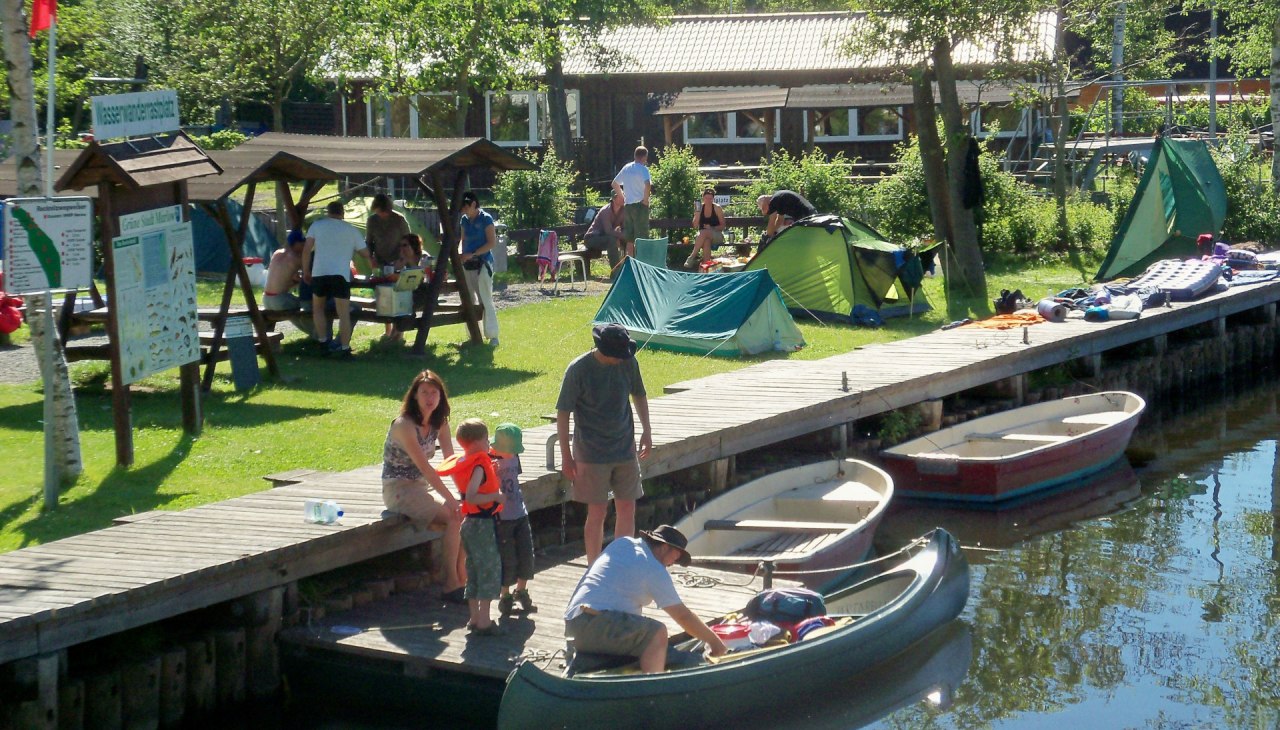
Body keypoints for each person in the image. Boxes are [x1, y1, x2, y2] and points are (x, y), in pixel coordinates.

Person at [564, 524, 728, 673]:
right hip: (594, 623)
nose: (674, 562)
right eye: (676, 556)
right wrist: (715, 643)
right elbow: (683, 616)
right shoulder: (652, 567)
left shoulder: (622, 544)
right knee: (656, 632)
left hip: (573, 623)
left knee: (644, 636)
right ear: (664, 548)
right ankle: (652, 687)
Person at [556, 323, 652, 565]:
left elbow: (639, 394)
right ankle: (592, 566)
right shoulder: (579, 369)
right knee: (597, 511)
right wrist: (567, 457)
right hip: (591, 452)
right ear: (604, 350)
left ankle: (621, 563)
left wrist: (647, 430)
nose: (622, 359)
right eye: (618, 355)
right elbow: (563, 412)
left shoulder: (628, 361)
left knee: (627, 508)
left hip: (624, 447)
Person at [382, 370, 466, 603]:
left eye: (434, 393)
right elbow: (427, 469)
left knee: (465, 514)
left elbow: (451, 461)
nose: (429, 398)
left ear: (441, 396)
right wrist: (450, 499)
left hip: (420, 487)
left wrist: (465, 494)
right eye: (424, 392)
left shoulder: (440, 423)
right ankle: (451, 584)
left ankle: (461, 578)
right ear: (415, 396)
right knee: (453, 516)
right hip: (399, 488)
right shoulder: (404, 425)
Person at [438, 418, 506, 636]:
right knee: (488, 568)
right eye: (486, 439)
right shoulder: (478, 464)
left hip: (468, 524)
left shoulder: (467, 461)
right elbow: (474, 495)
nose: (489, 444)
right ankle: (484, 621)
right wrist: (496, 495)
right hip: (481, 524)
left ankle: (474, 617)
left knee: (473, 569)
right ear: (477, 442)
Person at [303, 200, 368, 356]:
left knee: (318, 309)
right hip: (340, 274)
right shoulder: (350, 230)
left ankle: (323, 343)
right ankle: (345, 348)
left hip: (319, 272)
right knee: (343, 313)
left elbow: (306, 250)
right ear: (342, 213)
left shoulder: (317, 226)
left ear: (328, 212)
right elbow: (365, 253)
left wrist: (306, 270)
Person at [492, 423, 536, 617]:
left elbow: (515, 478)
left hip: (520, 512)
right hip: (502, 517)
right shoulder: (489, 460)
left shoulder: (514, 458)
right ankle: (505, 594)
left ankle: (522, 589)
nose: (512, 454)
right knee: (507, 557)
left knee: (527, 553)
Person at [458, 191, 500, 348]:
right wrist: (460, 253)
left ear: (473, 204)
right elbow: (462, 241)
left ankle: (493, 336)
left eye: (465, 206)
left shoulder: (486, 218)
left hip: (482, 263)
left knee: (485, 299)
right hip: (467, 264)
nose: (463, 210)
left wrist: (473, 254)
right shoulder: (464, 220)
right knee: (468, 299)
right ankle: (473, 334)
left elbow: (491, 243)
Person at [612, 146, 652, 259]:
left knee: (630, 237)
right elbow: (648, 184)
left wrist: (622, 196)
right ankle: (642, 263)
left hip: (628, 206)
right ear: (645, 157)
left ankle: (630, 263)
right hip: (640, 205)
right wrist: (645, 199)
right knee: (642, 236)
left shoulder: (626, 168)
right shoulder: (643, 169)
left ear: (635, 155)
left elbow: (615, 183)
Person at [366, 193, 412, 271]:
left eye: (384, 212)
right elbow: (369, 242)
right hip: (379, 262)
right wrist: (370, 258)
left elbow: (408, 242)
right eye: (379, 212)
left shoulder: (399, 220)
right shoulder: (372, 221)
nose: (382, 214)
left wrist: (402, 259)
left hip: (398, 262)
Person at [583, 191, 625, 275]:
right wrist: (622, 235)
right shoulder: (606, 211)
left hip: (606, 238)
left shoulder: (623, 210)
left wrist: (627, 235)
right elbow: (608, 231)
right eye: (620, 196)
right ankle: (616, 273)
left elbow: (625, 227)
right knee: (611, 241)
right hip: (592, 239)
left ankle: (628, 271)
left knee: (629, 241)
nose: (623, 198)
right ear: (613, 199)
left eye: (623, 196)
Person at [262, 229, 305, 312]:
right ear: (296, 243)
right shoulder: (297, 258)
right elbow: (307, 277)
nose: (304, 246)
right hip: (280, 300)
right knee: (307, 305)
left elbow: (284, 276)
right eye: (303, 244)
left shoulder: (277, 253)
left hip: (266, 299)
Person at [685, 188, 726, 270]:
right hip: (702, 238)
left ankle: (692, 256)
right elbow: (695, 226)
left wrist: (711, 228)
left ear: (713, 199)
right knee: (706, 241)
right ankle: (706, 268)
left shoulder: (717, 208)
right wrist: (697, 214)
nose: (708, 200)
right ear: (703, 198)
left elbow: (723, 226)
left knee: (704, 233)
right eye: (706, 198)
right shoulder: (699, 208)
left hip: (716, 235)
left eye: (710, 198)